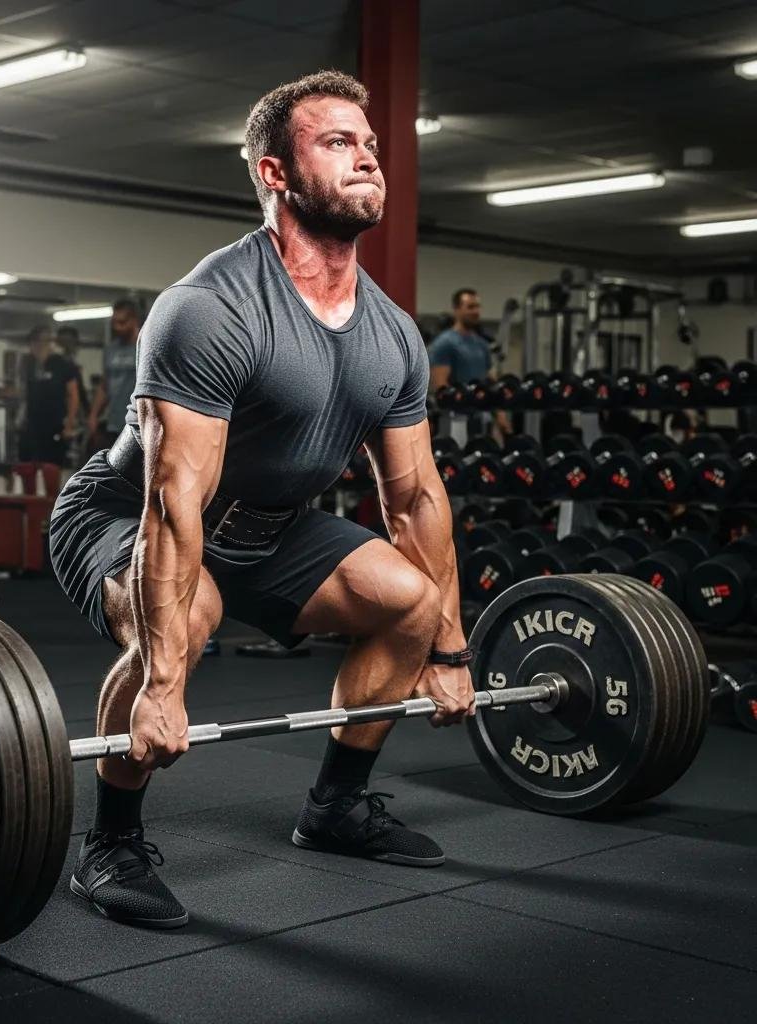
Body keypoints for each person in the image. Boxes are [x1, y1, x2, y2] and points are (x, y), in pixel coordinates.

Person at [50, 70, 474, 930]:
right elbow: (174, 503)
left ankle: (335, 806)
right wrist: (163, 684)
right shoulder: (209, 309)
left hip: (272, 527)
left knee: (409, 601)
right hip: (124, 512)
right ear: (275, 173)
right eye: (337, 142)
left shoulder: (392, 334)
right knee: (188, 611)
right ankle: (112, 842)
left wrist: (451, 647)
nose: (366, 159)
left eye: (371, 145)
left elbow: (417, 496)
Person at [428, 289, 511, 438]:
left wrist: (500, 415)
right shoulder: (445, 343)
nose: (476, 311)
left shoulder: (482, 344)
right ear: (457, 310)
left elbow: (490, 382)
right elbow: (441, 387)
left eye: (478, 306)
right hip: (455, 420)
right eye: (470, 307)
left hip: (481, 418)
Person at [18, 325, 80, 467]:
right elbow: (23, 392)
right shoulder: (29, 364)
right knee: (28, 465)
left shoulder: (61, 364)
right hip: (32, 424)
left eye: (41, 342)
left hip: (55, 424)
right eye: (34, 343)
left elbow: (73, 394)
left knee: (51, 466)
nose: (37, 347)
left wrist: (69, 423)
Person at [86, 299, 141, 451]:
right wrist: (94, 415)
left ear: (134, 320)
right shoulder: (110, 350)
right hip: (113, 424)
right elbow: (105, 386)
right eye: (114, 322)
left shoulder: (146, 346)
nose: (117, 327)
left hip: (138, 425)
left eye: (122, 322)